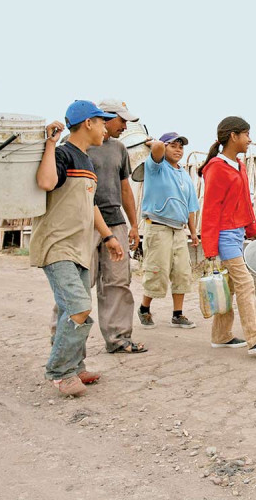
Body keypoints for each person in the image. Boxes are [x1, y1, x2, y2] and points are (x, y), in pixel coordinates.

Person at [32, 100, 125, 397]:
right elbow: (46, 182)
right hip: (57, 246)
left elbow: (91, 204)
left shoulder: (86, 160)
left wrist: (109, 237)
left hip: (80, 248)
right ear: (88, 123)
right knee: (78, 307)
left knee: (76, 308)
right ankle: (59, 371)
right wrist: (50, 144)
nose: (105, 128)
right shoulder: (63, 154)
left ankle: (76, 366)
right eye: (101, 122)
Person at [198, 116, 256, 355]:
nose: (250, 140)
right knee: (245, 283)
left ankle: (221, 336)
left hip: (237, 234)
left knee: (230, 286)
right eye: (246, 134)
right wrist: (210, 249)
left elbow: (244, 204)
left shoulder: (239, 166)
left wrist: (254, 232)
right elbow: (210, 209)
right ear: (233, 136)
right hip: (224, 237)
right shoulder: (216, 168)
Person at [87, 100, 146, 353]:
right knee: (79, 281)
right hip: (84, 223)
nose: (125, 126)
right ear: (104, 117)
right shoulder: (75, 145)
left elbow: (125, 188)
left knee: (118, 282)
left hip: (116, 221)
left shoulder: (119, 149)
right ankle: (65, 341)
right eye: (121, 120)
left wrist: (134, 224)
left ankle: (119, 338)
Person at [138, 132, 200, 329]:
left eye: (181, 146)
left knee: (182, 272)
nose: (178, 150)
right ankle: (144, 309)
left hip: (178, 230)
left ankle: (177, 314)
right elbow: (156, 150)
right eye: (173, 145)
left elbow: (191, 206)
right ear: (163, 147)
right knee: (158, 271)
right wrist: (154, 143)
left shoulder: (184, 175)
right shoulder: (155, 167)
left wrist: (193, 232)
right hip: (157, 227)